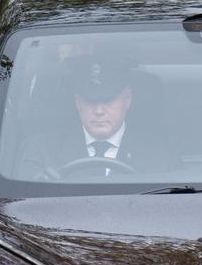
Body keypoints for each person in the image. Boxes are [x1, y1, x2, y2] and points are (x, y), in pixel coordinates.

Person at [18, 59, 173, 179]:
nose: (99, 111)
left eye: (108, 101)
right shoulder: (41, 150)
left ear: (127, 100)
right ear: (77, 102)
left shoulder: (159, 155)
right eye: (90, 101)